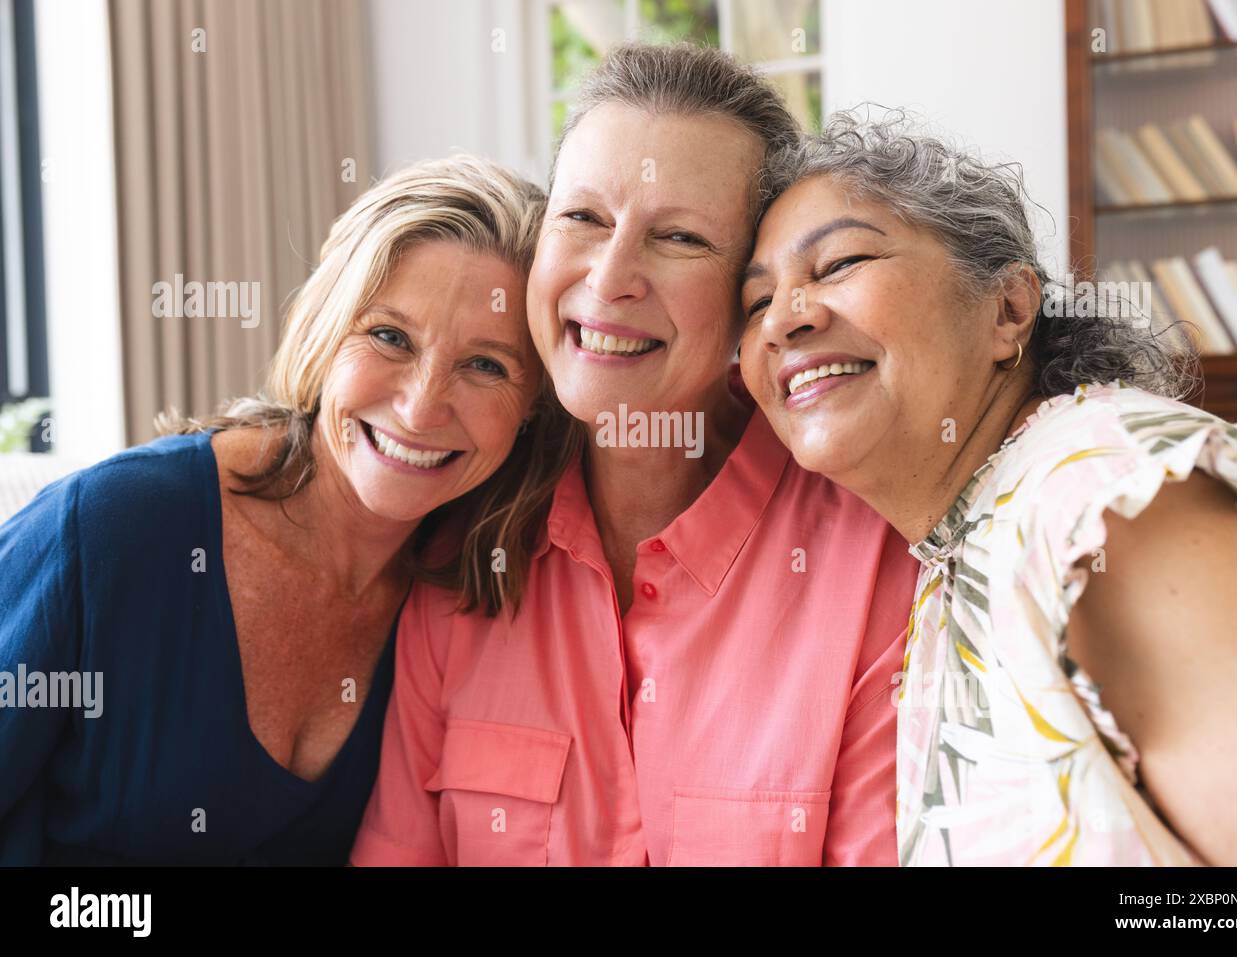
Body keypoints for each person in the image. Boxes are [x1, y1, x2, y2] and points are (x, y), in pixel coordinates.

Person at [351, 44, 919, 868]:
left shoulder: (871, 564)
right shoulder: (462, 549)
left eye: (680, 237)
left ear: (752, 297)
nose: (611, 276)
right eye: (582, 219)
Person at [738, 108, 1237, 866]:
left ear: (1009, 309)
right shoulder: (964, 542)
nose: (784, 319)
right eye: (755, 303)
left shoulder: (1101, 497)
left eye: (838, 264)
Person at [0, 156, 568, 864]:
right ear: (326, 333)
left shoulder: (471, 597)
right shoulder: (116, 525)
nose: (422, 406)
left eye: (486, 365)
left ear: (535, 409)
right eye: (390, 336)